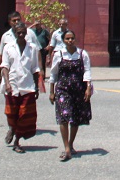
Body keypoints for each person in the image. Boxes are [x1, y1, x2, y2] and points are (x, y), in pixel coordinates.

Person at [47, 29, 93, 161]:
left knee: (75, 118)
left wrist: (88, 88)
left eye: (72, 38)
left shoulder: (82, 54)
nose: (70, 40)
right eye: (67, 38)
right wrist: (51, 91)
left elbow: (87, 71)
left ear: (75, 39)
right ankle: (66, 148)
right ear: (63, 40)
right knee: (63, 117)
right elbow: (53, 74)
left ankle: (71, 143)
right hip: (63, 90)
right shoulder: (59, 54)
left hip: (78, 90)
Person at [0, 23, 41, 153]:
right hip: (12, 85)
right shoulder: (8, 47)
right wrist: (7, 83)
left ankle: (17, 141)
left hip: (27, 86)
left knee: (24, 115)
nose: (21, 35)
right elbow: (4, 67)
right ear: (15, 33)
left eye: (23, 32)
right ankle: (12, 128)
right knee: (11, 113)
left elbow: (35, 69)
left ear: (26, 33)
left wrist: (37, 87)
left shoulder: (32, 48)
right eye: (19, 32)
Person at [0, 11, 41, 86]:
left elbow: (38, 52)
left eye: (18, 20)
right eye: (14, 20)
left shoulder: (30, 33)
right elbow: (1, 56)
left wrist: (41, 69)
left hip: (27, 74)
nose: (16, 22)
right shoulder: (5, 36)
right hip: (11, 75)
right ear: (9, 22)